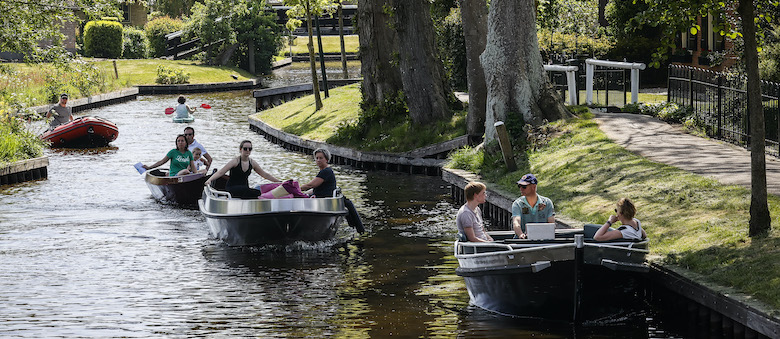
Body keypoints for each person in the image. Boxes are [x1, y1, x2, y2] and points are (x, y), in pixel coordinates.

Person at [204, 140, 281, 199]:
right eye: (245, 148)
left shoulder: (252, 162)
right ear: (241, 149)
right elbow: (221, 172)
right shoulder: (235, 161)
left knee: (256, 192)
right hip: (232, 188)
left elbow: (265, 174)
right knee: (252, 191)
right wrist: (209, 180)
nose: (247, 150)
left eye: (250, 149)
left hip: (245, 189)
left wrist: (278, 182)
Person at [511, 173, 555, 239]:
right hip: (522, 241)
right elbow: (516, 222)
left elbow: (551, 224)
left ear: (533, 187)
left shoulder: (547, 203)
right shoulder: (517, 204)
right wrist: (521, 234)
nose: (521, 189)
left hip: (543, 240)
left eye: (524, 187)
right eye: (519, 186)